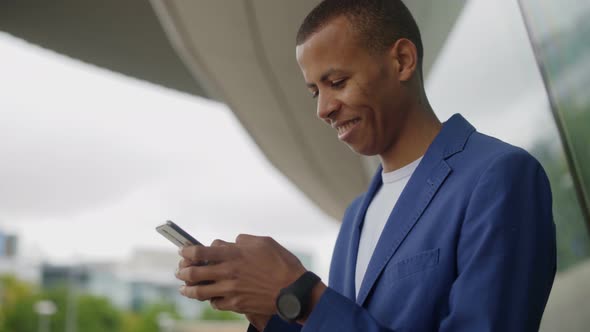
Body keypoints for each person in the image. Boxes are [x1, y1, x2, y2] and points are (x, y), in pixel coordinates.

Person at [175, 0, 557, 331]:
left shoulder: (499, 177)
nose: (323, 109)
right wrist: (270, 310)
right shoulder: (357, 214)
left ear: (402, 61)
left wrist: (301, 294)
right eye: (314, 91)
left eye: (337, 82)